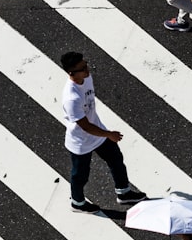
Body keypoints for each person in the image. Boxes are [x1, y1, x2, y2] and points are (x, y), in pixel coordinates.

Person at [60, 52, 145, 213]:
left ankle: (123, 192)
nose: (87, 70)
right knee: (80, 175)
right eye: (82, 68)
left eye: (86, 65)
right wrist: (108, 134)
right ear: (71, 73)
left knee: (116, 159)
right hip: (81, 141)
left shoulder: (86, 78)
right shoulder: (71, 98)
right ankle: (77, 203)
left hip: (97, 131)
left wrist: (105, 133)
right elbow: (85, 126)